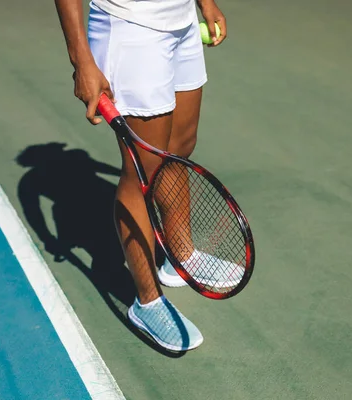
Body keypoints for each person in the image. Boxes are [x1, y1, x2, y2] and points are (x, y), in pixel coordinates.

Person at [54, 0, 227, 351]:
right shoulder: (35, 182)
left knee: (180, 146)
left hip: (182, 23)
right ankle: (147, 303)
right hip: (132, 29)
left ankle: (181, 258)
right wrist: (81, 58)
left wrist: (205, 4)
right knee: (141, 169)